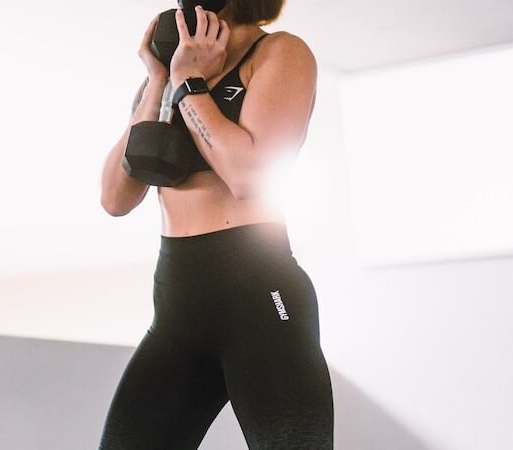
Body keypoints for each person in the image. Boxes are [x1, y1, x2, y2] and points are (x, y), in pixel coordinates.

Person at [98, 1, 334, 448]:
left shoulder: (280, 54)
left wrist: (192, 83)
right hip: (177, 309)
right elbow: (115, 197)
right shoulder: (166, 78)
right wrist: (159, 79)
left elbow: (248, 177)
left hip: (261, 303)